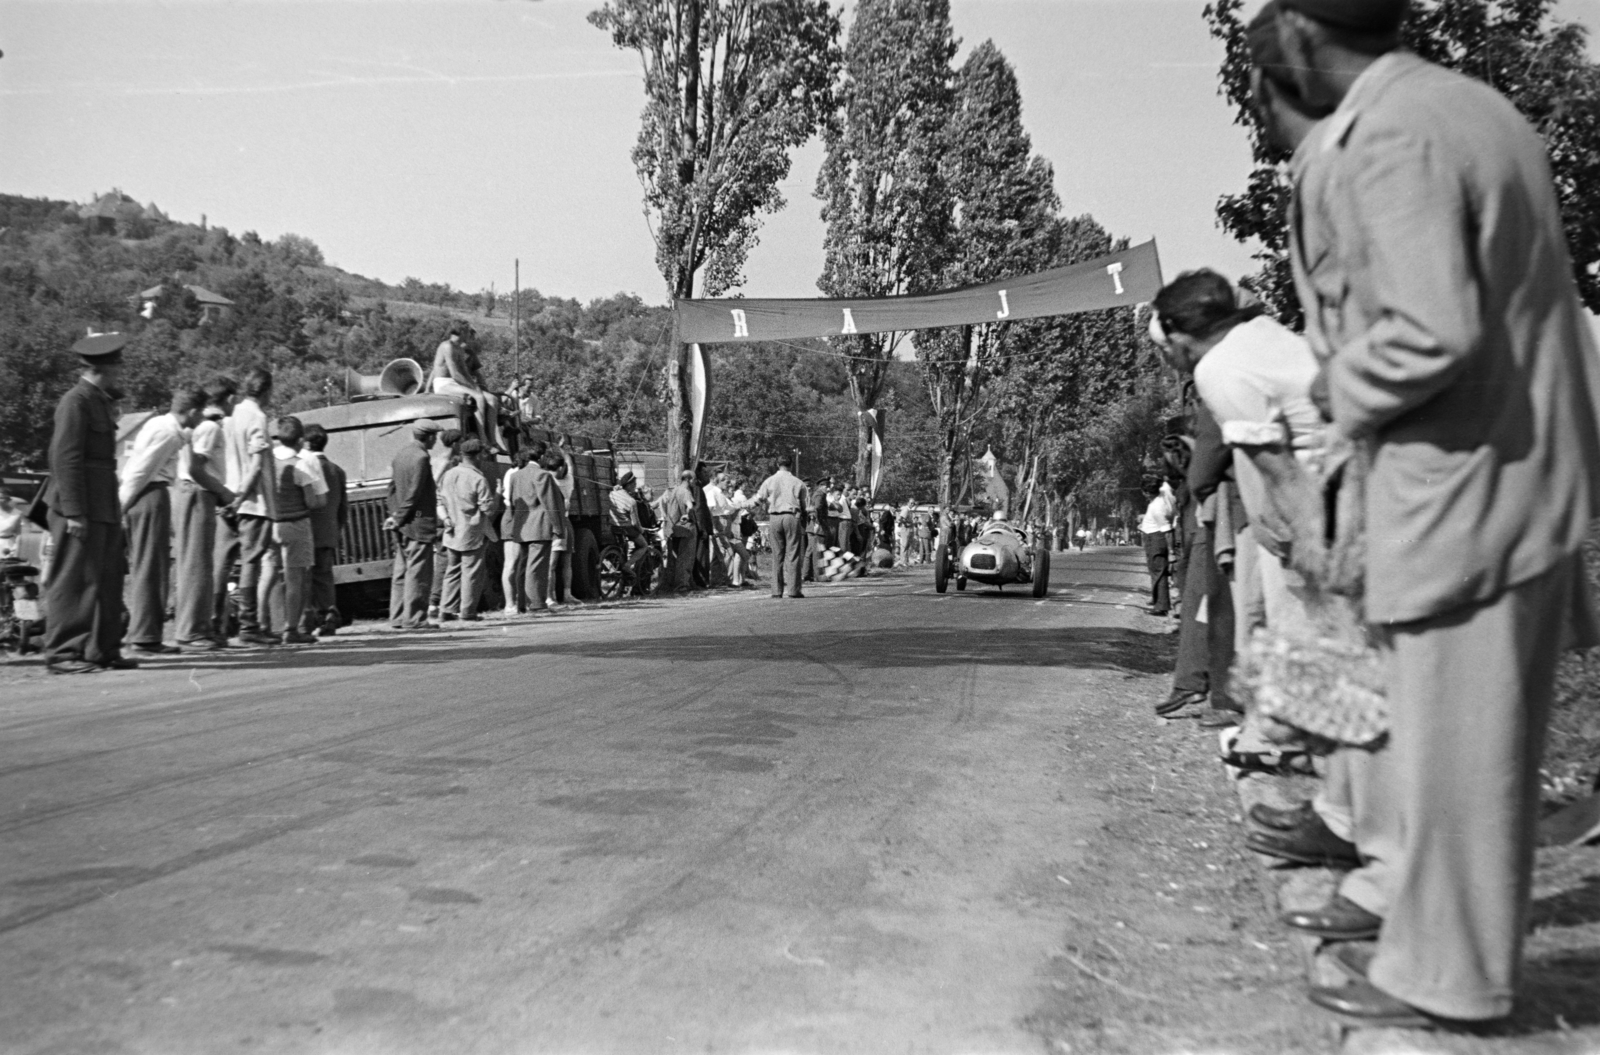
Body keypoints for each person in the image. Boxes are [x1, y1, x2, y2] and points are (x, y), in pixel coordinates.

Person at [1257, 0, 1600, 1028]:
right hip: (1509, 468)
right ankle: (1434, 937)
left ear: (1306, 41)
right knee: (1464, 740)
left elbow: (1429, 328)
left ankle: (1446, 976)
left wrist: (1332, 390)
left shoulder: (1392, 132)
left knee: (1461, 748)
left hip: (1461, 477)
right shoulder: (1473, 108)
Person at [41, 332, 136, 674]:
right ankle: (64, 652)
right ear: (104, 366)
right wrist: (74, 511)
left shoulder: (97, 400)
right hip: (81, 507)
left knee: (107, 579)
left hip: (102, 505)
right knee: (74, 580)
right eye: (117, 364)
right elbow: (65, 459)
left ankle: (102, 649)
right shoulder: (76, 401)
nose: (121, 370)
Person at [119, 388, 206, 655]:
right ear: (192, 411)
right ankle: (145, 636)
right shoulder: (167, 433)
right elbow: (140, 470)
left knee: (150, 566)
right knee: (151, 567)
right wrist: (120, 506)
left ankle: (145, 633)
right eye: (200, 412)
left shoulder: (160, 425)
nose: (201, 417)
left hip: (146, 495)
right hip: (148, 496)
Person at [172, 379, 236, 651]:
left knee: (197, 563)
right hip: (198, 492)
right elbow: (196, 467)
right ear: (227, 399)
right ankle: (191, 631)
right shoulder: (210, 427)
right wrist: (223, 491)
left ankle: (197, 628)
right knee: (197, 564)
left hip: (196, 492)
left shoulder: (204, 425)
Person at [260, 416, 327, 646]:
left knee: (267, 574)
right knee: (295, 578)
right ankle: (291, 628)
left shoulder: (268, 462)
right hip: (296, 525)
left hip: (271, 524)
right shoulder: (300, 465)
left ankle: (261, 624)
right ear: (300, 440)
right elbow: (313, 502)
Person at [220, 367, 275, 645]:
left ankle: (222, 623)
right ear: (266, 391)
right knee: (252, 562)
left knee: (228, 562)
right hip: (253, 501)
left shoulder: (233, 415)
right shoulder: (257, 417)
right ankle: (248, 625)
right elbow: (255, 464)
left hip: (230, 495)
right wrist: (242, 496)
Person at [386, 419, 442, 630]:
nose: (435, 441)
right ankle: (415, 618)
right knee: (418, 572)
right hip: (417, 522)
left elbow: (391, 489)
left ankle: (398, 617)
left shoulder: (401, 454)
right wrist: (400, 516)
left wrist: (394, 516)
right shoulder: (421, 457)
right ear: (428, 437)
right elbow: (414, 494)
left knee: (401, 572)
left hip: (401, 523)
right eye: (434, 437)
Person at [300, 424, 348, 637]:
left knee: (304, 576)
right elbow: (343, 507)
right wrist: (337, 528)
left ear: (307, 443)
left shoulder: (303, 466)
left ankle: (308, 620)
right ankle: (329, 616)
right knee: (325, 576)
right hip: (328, 532)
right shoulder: (337, 470)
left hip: (307, 530)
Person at [439, 437, 494, 621]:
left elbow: (440, 500)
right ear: (478, 455)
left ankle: (446, 610)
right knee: (471, 573)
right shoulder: (478, 478)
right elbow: (487, 508)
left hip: (451, 530)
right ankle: (468, 612)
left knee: (452, 570)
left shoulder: (448, 474)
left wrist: (446, 518)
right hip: (472, 532)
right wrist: (498, 496)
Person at [506, 447, 566, 613]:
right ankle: (538, 603)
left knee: (523, 566)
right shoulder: (542, 475)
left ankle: (522, 604)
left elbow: (511, 502)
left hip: (521, 527)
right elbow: (550, 503)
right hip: (539, 526)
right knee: (537, 567)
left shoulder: (515, 475)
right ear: (540, 457)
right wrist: (558, 527)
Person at [428, 324, 502, 453]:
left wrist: (475, 387)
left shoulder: (460, 349)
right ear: (461, 332)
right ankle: (483, 441)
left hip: (456, 383)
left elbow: (464, 372)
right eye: (467, 332)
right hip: (444, 383)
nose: (469, 335)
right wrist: (473, 390)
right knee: (478, 397)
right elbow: (455, 373)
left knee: (492, 399)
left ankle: (493, 440)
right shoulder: (447, 346)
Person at [751, 455, 808, 599]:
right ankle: (794, 590)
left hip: (775, 516)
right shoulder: (798, 482)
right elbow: (805, 505)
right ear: (791, 465)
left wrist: (744, 505)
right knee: (793, 554)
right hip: (791, 516)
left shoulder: (769, 480)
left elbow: (758, 499)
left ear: (777, 464)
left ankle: (776, 590)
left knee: (777, 555)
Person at [499, 447, 536, 614]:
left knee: (515, 564)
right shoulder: (516, 475)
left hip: (514, 514)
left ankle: (515, 603)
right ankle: (511, 604)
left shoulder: (511, 473)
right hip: (515, 514)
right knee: (513, 563)